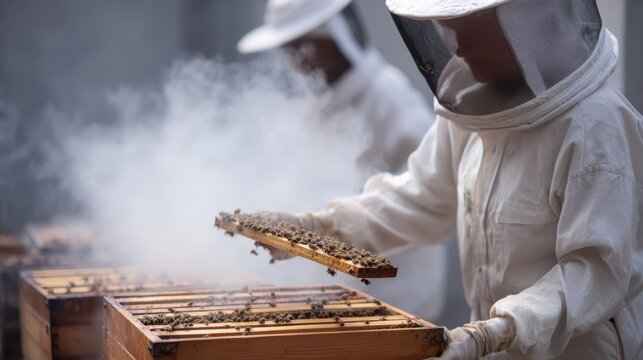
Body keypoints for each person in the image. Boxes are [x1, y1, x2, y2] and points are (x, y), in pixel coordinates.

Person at [265, 0, 643, 358]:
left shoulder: (596, 127)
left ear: (523, 24)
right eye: (448, 28)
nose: (457, 47)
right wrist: (315, 228)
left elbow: (594, 271)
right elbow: (420, 199)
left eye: (469, 28)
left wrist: (499, 331)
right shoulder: (471, 112)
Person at [238, 0, 451, 321]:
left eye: (304, 45)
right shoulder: (318, 102)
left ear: (336, 36)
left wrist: (322, 226)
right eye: (289, 48)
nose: (297, 59)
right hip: (335, 296)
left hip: (396, 297)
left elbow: (420, 200)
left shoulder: (389, 99)